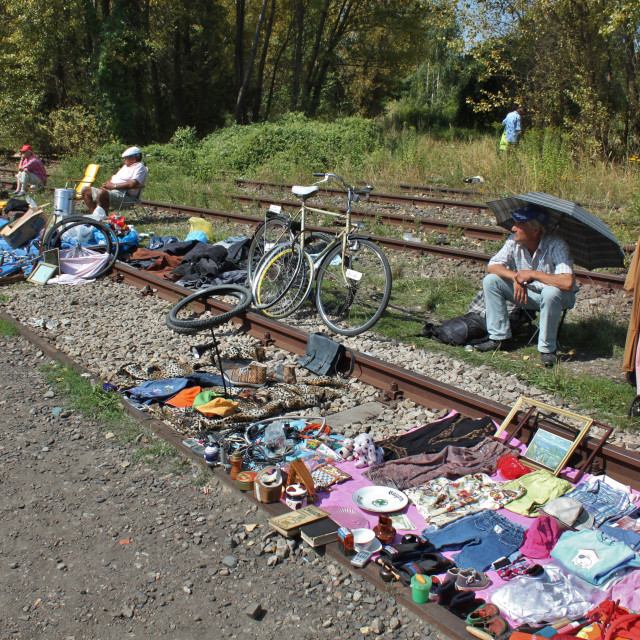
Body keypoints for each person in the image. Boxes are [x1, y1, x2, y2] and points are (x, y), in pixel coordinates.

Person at [475, 204, 577, 367]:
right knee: (491, 280)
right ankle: (499, 339)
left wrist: (533, 275)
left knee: (550, 292)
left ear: (535, 230)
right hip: (529, 294)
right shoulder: (513, 241)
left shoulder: (557, 245)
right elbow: (493, 266)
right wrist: (516, 278)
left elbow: (567, 282)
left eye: (519, 224)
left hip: (558, 297)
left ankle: (547, 349)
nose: (513, 227)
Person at [81, 146, 147, 215]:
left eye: (126, 158)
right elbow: (114, 177)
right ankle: (95, 215)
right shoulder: (126, 166)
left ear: (133, 159)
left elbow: (133, 184)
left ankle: (103, 217)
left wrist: (114, 186)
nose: (124, 160)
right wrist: (107, 183)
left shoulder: (139, 167)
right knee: (85, 190)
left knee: (101, 193)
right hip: (112, 191)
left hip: (125, 194)